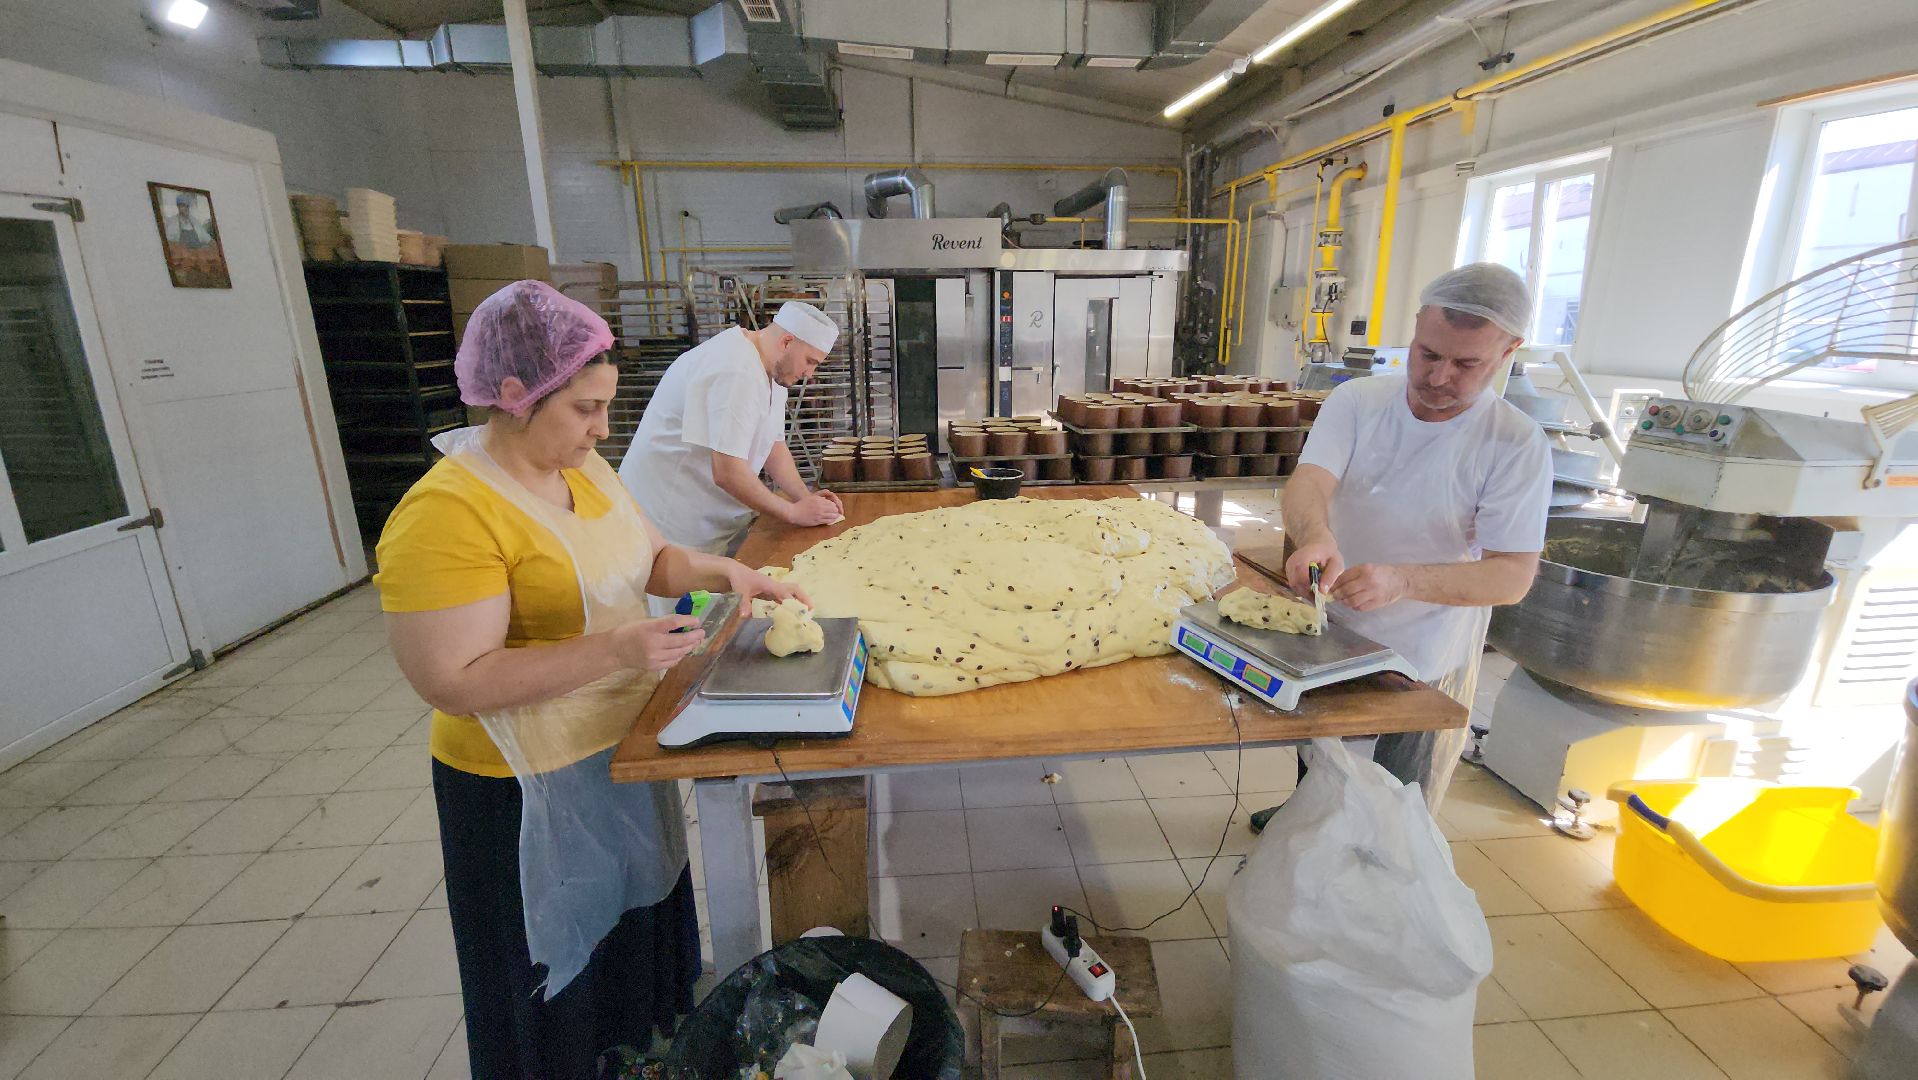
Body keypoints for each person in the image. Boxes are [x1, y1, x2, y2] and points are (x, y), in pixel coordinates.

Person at [373, 280, 808, 1076]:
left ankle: (637, 1058)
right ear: (513, 394)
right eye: (585, 409)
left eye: (607, 408)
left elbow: (654, 561)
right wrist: (616, 652)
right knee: (556, 968)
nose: (604, 428)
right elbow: (453, 680)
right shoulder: (448, 513)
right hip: (520, 787)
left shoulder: (584, 470)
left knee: (632, 930)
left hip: (617, 749)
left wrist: (731, 574)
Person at [1252, 263, 1552, 823]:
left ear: (1509, 350)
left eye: (1467, 364)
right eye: (1428, 353)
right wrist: (1316, 534)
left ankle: (1356, 889)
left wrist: (1403, 580)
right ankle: (1300, 842)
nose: (1438, 377)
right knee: (1318, 761)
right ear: (1415, 327)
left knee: (1386, 810)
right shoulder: (1359, 402)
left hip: (1415, 656)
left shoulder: (1513, 444)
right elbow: (1310, 481)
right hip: (1329, 631)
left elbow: (1511, 575)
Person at [617, 301, 845, 589]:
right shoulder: (735, 369)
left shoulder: (773, 370)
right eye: (810, 361)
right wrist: (791, 512)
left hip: (703, 527)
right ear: (787, 342)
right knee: (677, 623)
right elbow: (726, 471)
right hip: (667, 528)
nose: (809, 374)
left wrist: (803, 497)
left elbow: (772, 443)